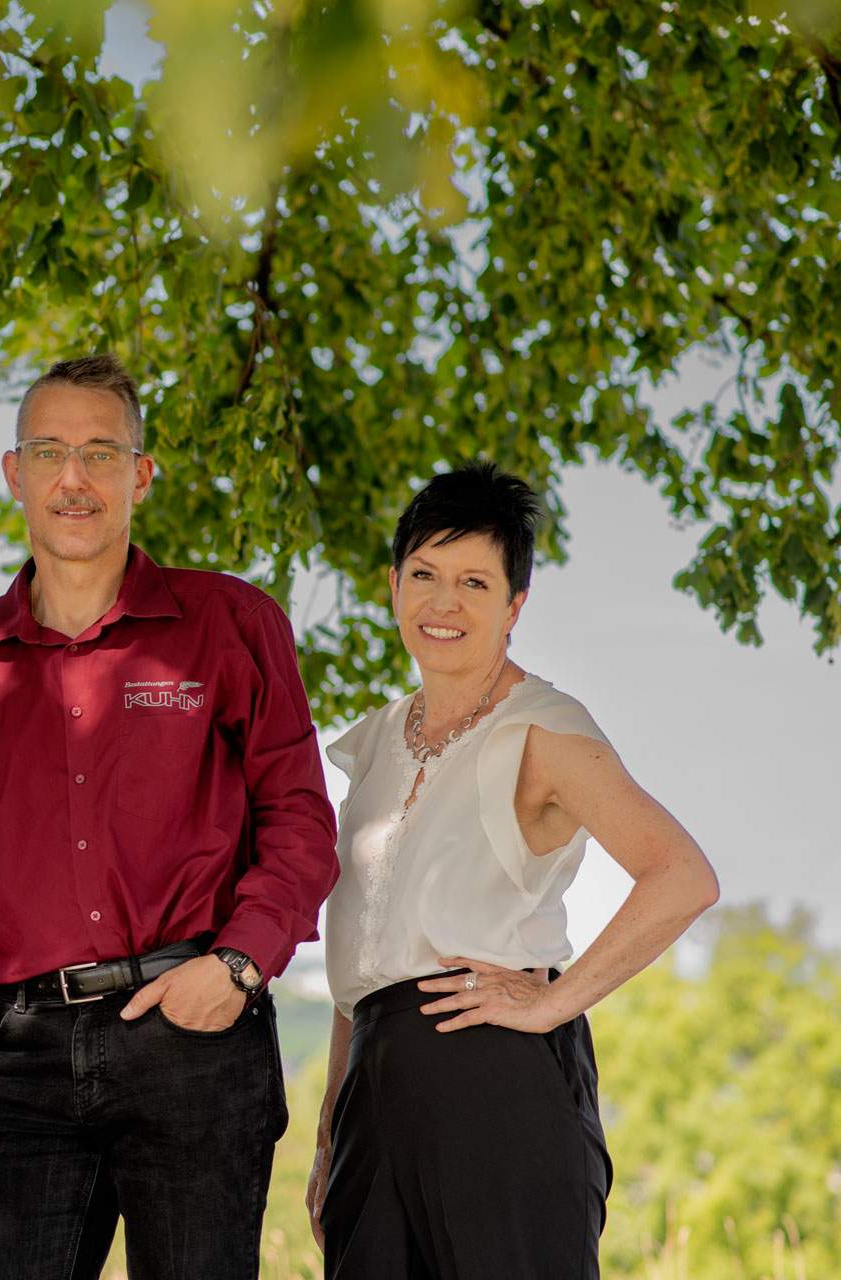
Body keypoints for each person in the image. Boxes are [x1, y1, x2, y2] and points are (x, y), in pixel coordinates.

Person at [0, 354, 340, 1279]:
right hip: (20, 1059)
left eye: (102, 454)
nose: (75, 478)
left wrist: (237, 966)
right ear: (15, 474)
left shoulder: (230, 625)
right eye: (51, 452)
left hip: (196, 1040)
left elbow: (300, 823)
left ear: (140, 476)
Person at [305, 462, 721, 1279]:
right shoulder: (377, 742)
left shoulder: (544, 729)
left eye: (473, 582)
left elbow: (682, 876)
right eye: (423, 575)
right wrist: (331, 1130)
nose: (443, 603)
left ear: (513, 606)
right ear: (393, 586)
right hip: (372, 1095)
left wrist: (552, 1001)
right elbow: (363, 964)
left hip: (491, 1079)